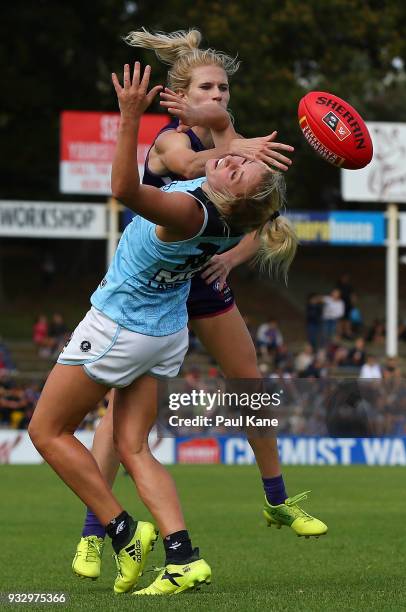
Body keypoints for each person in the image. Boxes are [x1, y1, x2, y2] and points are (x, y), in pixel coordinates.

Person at [28, 62, 300, 596]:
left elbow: (125, 187)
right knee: (134, 446)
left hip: (119, 325)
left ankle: (121, 532)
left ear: (233, 195)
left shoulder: (190, 210)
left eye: (237, 171)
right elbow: (217, 146)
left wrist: (130, 117)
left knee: (47, 431)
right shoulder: (229, 216)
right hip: (166, 333)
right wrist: (228, 133)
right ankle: (183, 556)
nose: (230, 162)